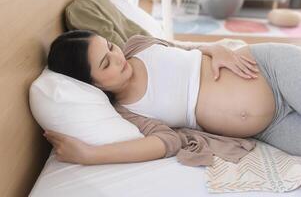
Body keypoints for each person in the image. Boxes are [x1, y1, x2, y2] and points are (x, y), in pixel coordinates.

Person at [44, 30, 301, 165]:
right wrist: (90, 155)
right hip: (269, 127)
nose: (118, 57)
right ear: (94, 84)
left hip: (269, 68)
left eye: (110, 46)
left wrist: (216, 48)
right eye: (105, 63)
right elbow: (165, 142)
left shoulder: (137, 45)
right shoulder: (129, 111)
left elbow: (184, 50)